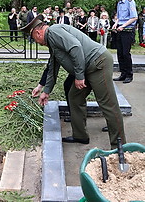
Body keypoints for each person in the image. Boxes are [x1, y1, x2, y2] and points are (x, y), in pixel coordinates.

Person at [20, 16, 126, 149]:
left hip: (98, 63)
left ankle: (119, 147)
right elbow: (52, 67)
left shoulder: (54, 32)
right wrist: (46, 91)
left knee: (108, 104)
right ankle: (80, 136)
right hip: (87, 67)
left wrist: (79, 76)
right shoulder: (52, 41)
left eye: (35, 40)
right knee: (74, 97)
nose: (37, 43)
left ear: (37, 33)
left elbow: (75, 47)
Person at [110, 0, 138, 84]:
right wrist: (115, 24)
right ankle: (123, 73)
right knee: (120, 53)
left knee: (126, 53)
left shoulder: (130, 2)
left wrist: (123, 26)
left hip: (127, 31)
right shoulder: (119, 3)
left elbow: (134, 17)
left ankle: (129, 75)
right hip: (119, 30)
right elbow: (119, 17)